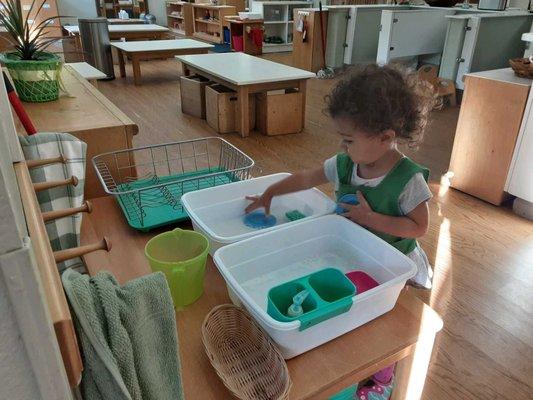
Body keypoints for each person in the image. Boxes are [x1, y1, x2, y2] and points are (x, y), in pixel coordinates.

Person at [245, 64, 435, 400]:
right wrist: (270, 192)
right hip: (352, 251)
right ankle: (348, 365)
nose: (342, 146)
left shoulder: (408, 180)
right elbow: (306, 176)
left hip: (392, 260)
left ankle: (383, 377)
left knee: (384, 324)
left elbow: (419, 227)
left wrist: (369, 217)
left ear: (386, 137)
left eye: (348, 139)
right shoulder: (346, 164)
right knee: (351, 309)